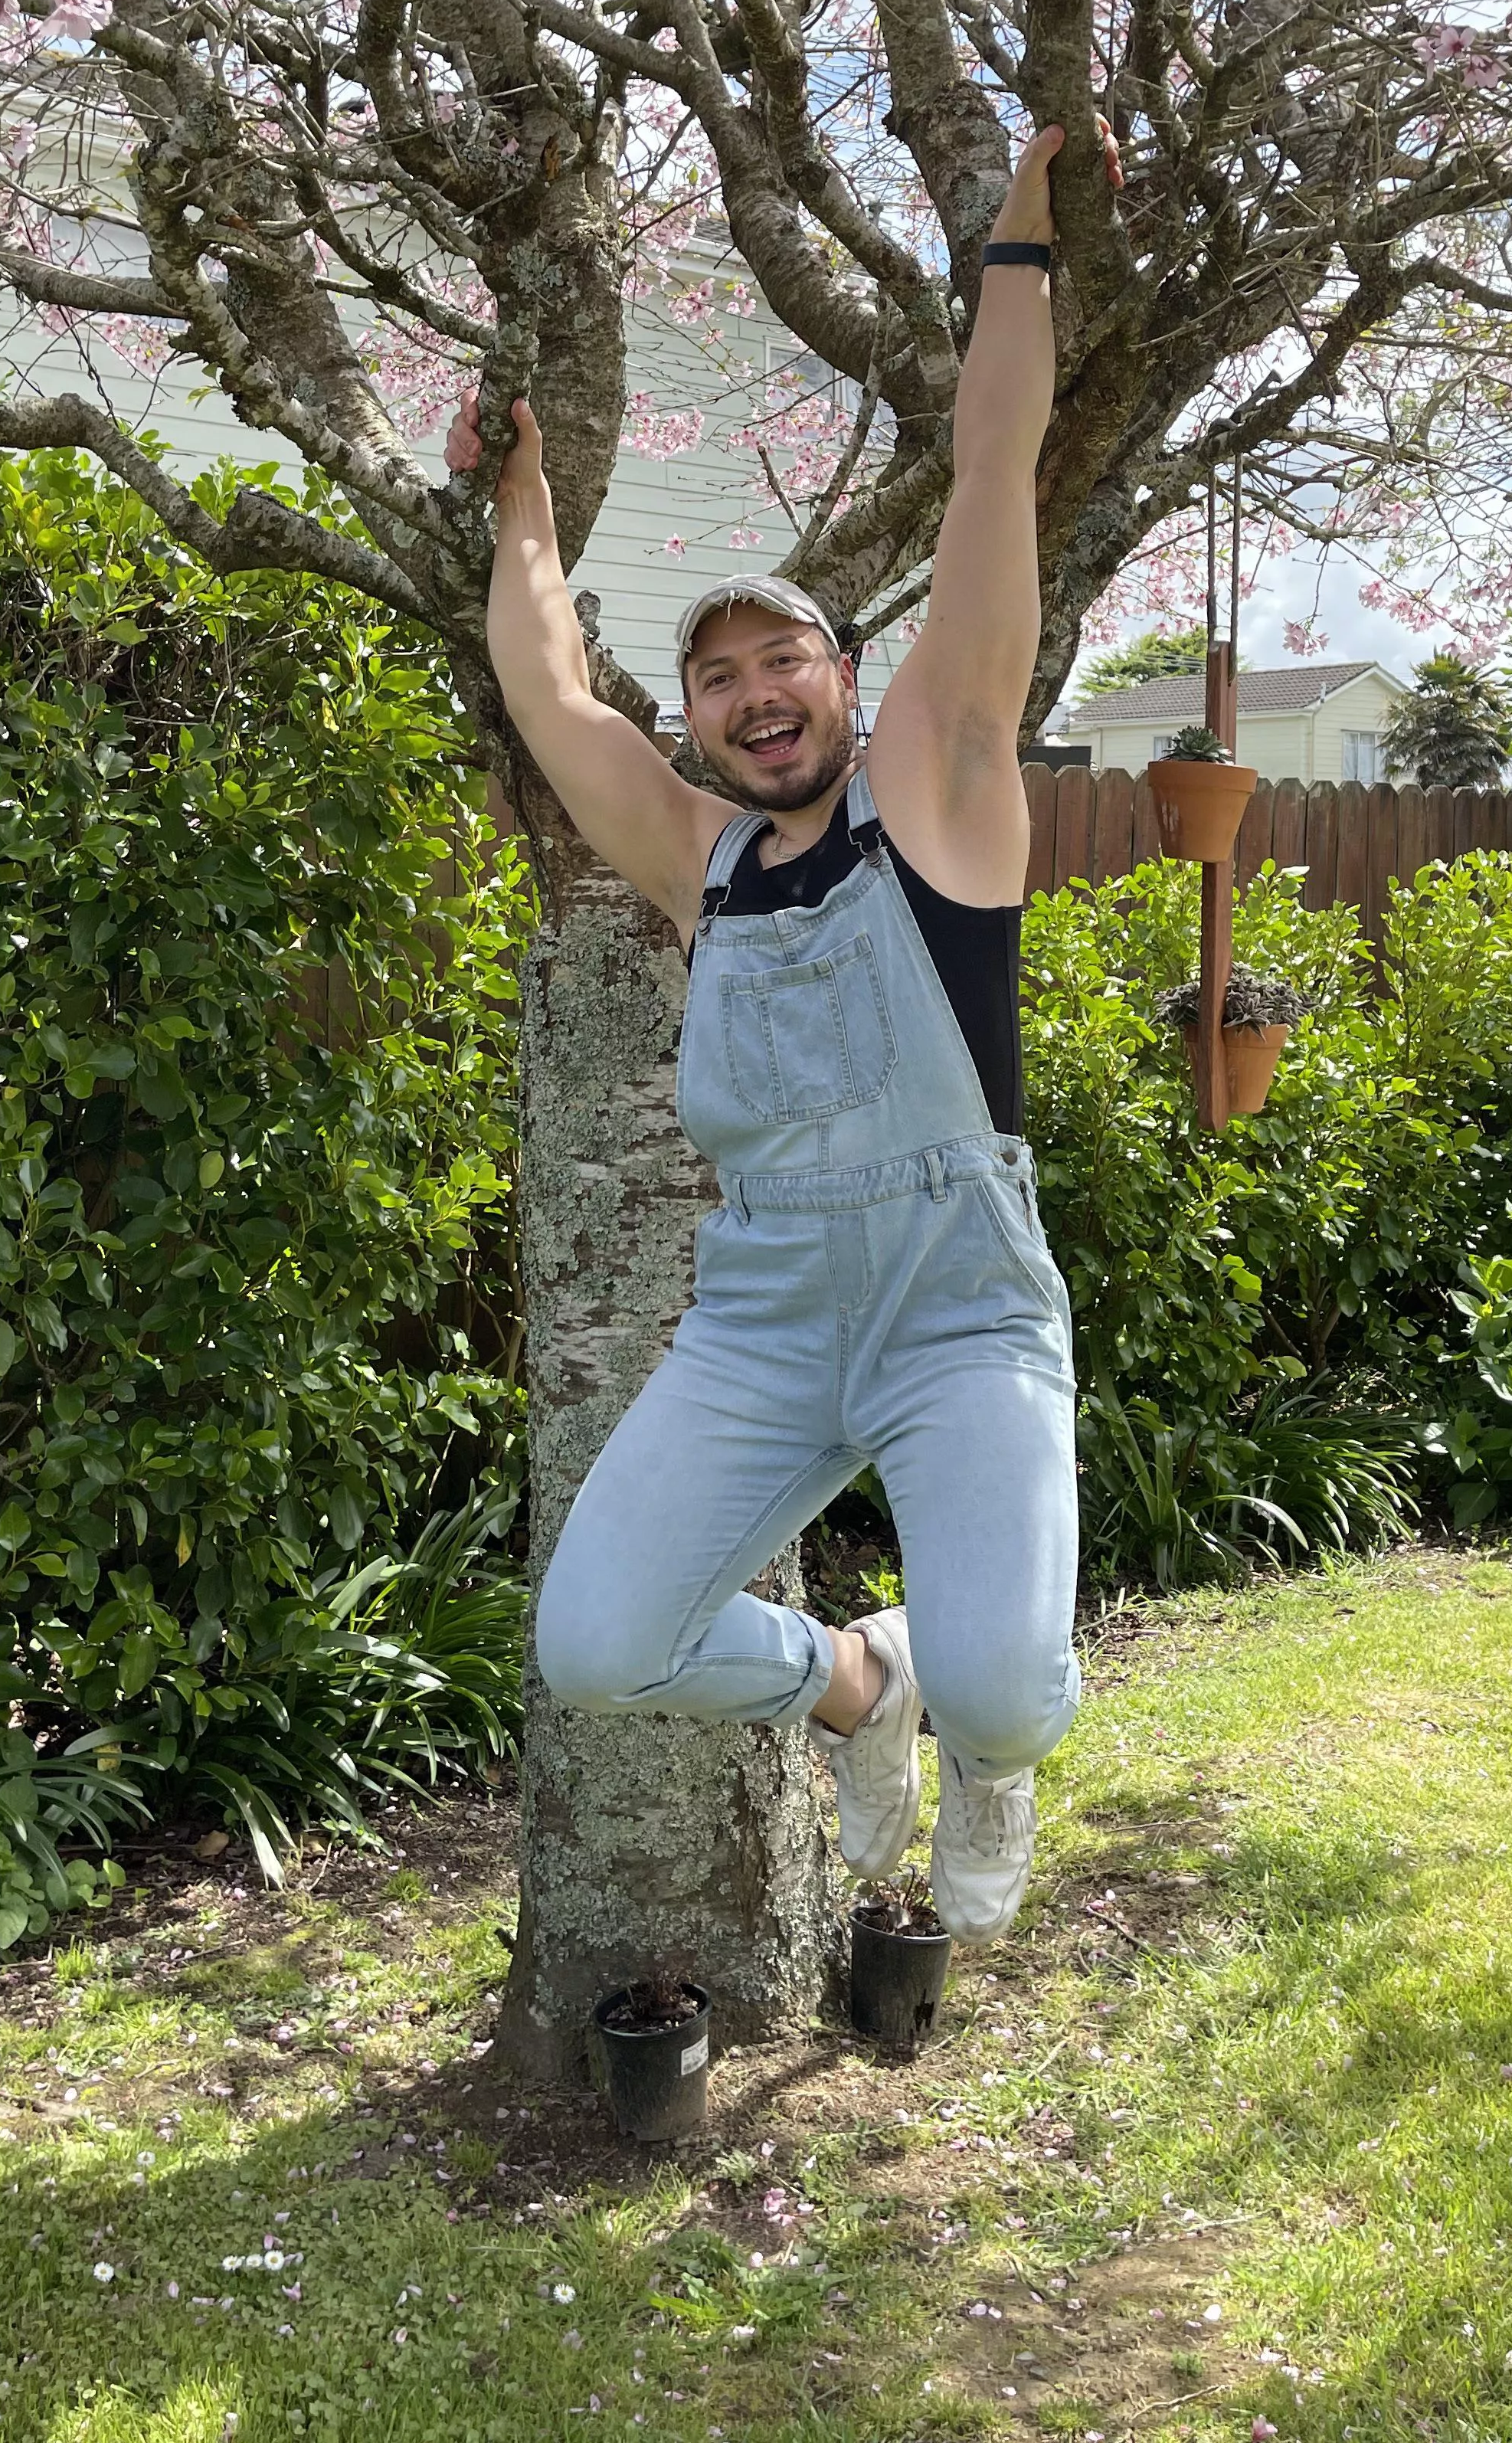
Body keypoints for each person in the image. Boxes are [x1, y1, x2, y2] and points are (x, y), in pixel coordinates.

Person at [446, 122, 1113, 1944]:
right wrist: (520, 496)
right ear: (697, 719)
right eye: (718, 677)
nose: (753, 696)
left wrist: (1018, 248)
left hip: (960, 1308)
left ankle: (978, 1732)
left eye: (784, 661)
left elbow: (994, 470)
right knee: (600, 1642)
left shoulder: (945, 795)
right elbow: (548, 685)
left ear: (847, 678)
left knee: (1009, 1693)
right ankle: (853, 1684)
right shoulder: (701, 864)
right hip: (765, 1316)